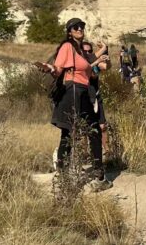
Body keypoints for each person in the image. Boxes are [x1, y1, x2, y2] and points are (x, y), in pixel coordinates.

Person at [37, 18, 110, 190]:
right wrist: (50, 68)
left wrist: (103, 51)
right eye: (75, 27)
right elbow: (58, 69)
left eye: (82, 26)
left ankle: (89, 176)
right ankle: (87, 177)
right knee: (77, 133)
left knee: (83, 133)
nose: (79, 29)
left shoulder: (80, 52)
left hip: (82, 92)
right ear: (69, 31)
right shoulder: (67, 47)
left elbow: (91, 62)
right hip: (74, 92)